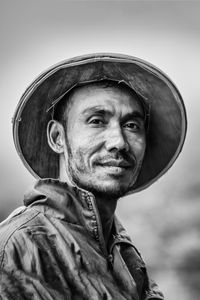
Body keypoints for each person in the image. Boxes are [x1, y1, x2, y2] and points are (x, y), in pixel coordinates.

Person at [0, 53, 187, 299]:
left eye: (132, 125)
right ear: (58, 138)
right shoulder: (17, 249)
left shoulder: (125, 254)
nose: (119, 142)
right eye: (97, 121)